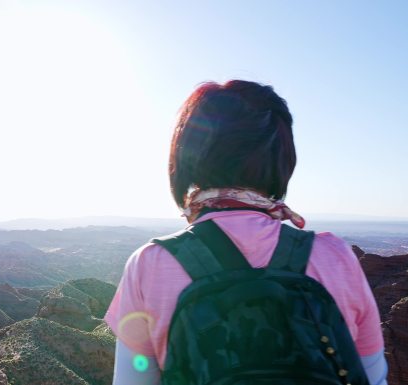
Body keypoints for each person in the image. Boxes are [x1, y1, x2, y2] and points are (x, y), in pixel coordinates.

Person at [104, 80, 388, 385]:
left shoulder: (150, 264)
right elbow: (373, 378)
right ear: (282, 160)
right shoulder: (335, 257)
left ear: (187, 156)